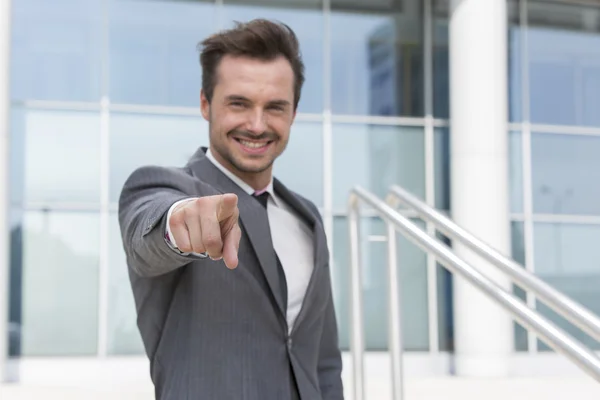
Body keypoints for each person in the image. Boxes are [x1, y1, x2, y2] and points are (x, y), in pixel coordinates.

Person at [118, 19, 344, 400]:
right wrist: (180, 224)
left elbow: (323, 361)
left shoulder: (307, 219)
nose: (257, 125)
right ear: (206, 104)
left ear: (293, 113)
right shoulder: (165, 188)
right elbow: (149, 231)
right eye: (238, 104)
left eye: (275, 107)